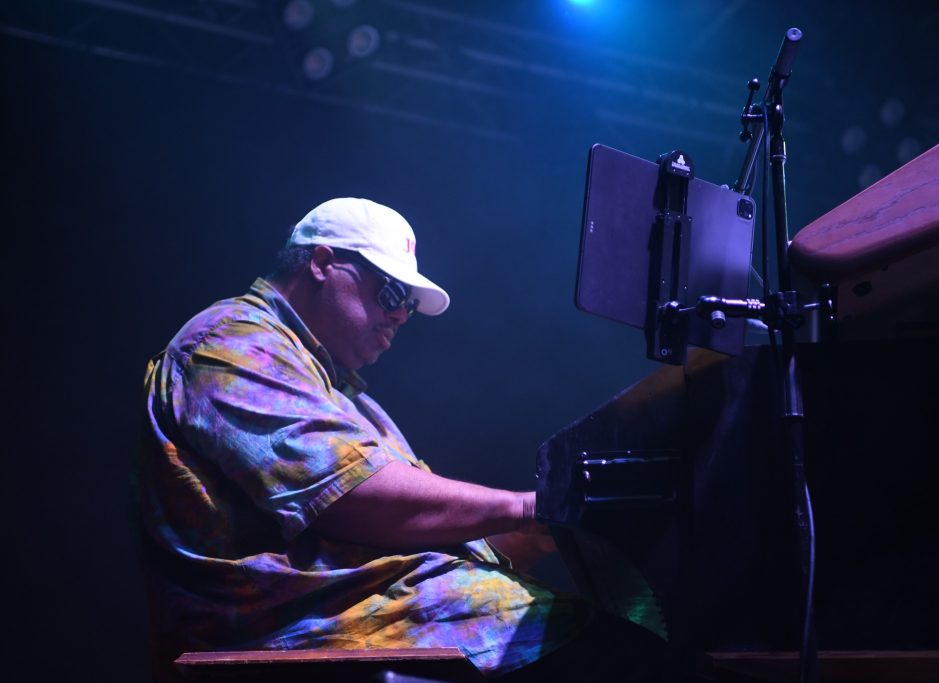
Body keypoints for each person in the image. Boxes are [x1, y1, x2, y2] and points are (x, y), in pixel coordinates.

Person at [139, 198, 667, 681]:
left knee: (624, 646)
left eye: (409, 305)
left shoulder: (345, 396)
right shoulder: (231, 345)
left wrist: (540, 532)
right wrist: (527, 507)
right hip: (287, 630)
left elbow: (414, 533)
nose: (399, 315)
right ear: (322, 262)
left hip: (364, 617)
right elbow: (348, 499)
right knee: (615, 655)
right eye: (391, 292)